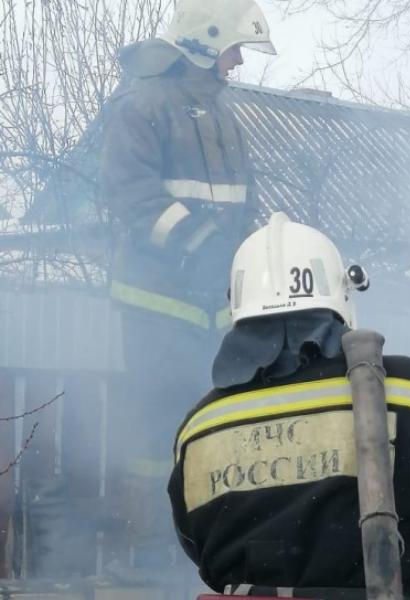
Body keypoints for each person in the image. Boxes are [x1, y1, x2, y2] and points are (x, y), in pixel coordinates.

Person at [168, 212, 410, 599]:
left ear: (237, 306)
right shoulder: (407, 394)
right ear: (342, 293)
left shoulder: (199, 428)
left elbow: (196, 544)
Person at [99, 0, 276, 568]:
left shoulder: (222, 114)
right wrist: (199, 248)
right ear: (204, 41)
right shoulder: (140, 105)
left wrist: (261, 246)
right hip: (157, 305)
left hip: (213, 309)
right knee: (160, 428)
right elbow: (133, 194)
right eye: (234, 48)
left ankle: (212, 549)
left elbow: (242, 203)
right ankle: (151, 552)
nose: (240, 62)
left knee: (216, 427)